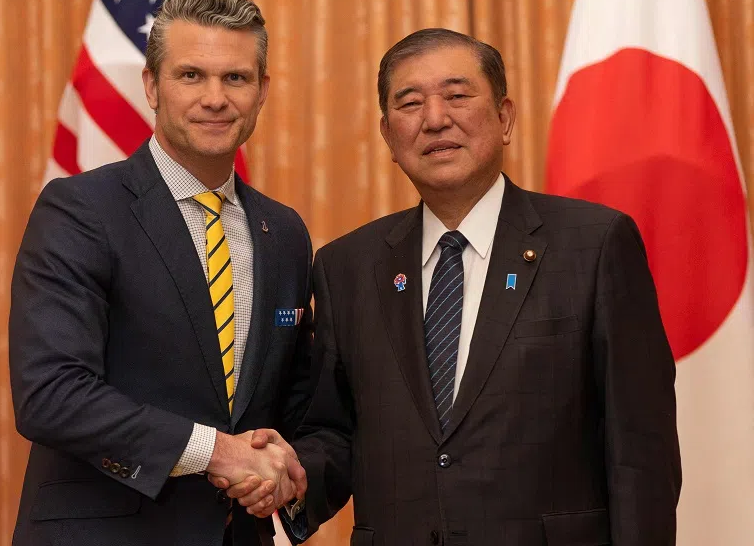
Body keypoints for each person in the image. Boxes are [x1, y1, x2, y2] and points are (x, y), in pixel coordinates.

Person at [218, 28, 681, 545]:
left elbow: (641, 452)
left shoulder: (594, 245)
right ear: (388, 136)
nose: (435, 119)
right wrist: (292, 478)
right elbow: (336, 431)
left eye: (458, 96)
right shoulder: (347, 267)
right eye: (410, 103)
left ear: (504, 118)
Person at [9, 0, 311, 546]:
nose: (215, 98)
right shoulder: (80, 210)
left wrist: (281, 465)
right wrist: (216, 451)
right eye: (191, 75)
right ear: (151, 85)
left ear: (263, 91)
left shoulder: (285, 232)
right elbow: (50, 393)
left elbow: (291, 400)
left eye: (236, 78)